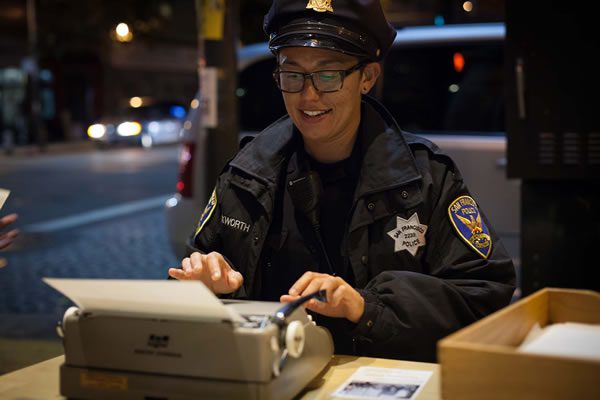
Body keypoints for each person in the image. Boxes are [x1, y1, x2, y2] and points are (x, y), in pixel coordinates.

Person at [169, 0, 515, 362]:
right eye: (292, 74)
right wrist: (213, 289)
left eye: (328, 74)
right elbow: (191, 283)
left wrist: (367, 307)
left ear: (367, 77)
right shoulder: (245, 175)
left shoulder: (426, 178)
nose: (308, 95)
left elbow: (485, 293)